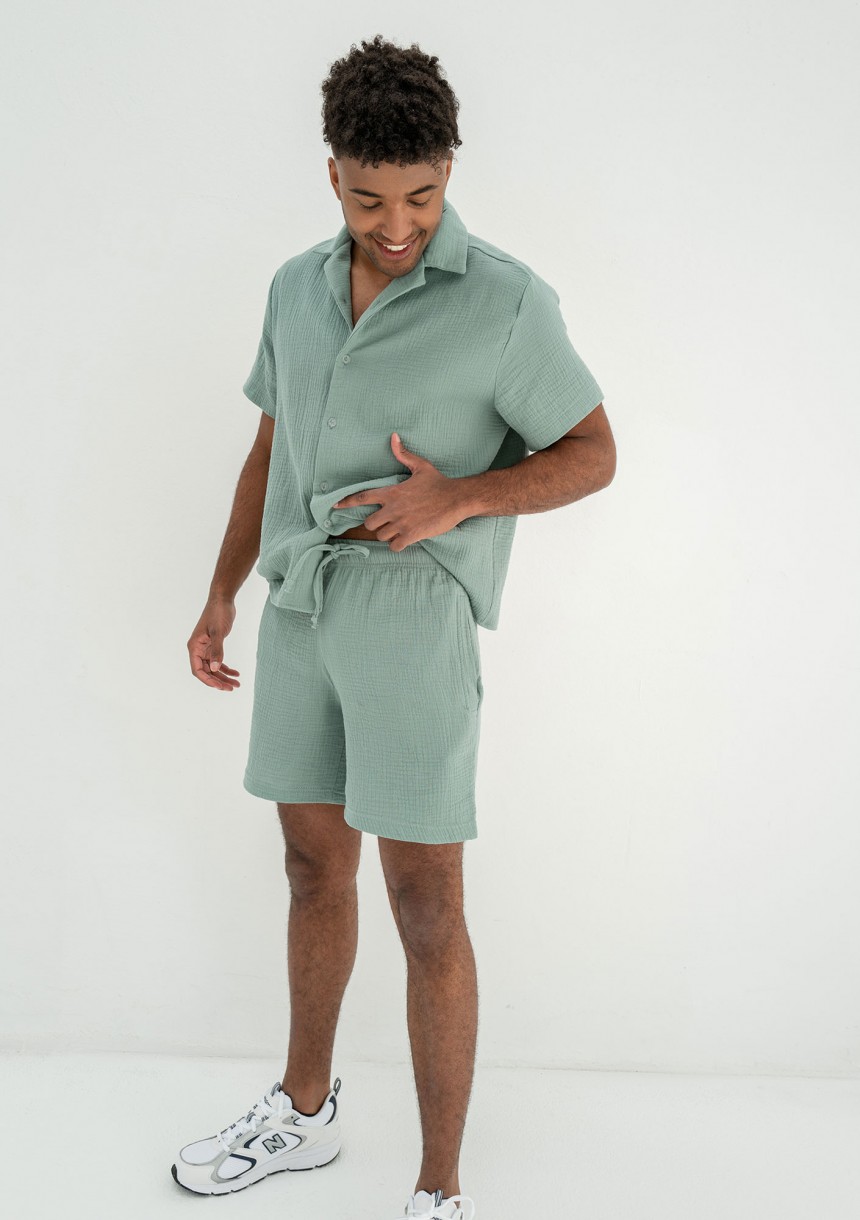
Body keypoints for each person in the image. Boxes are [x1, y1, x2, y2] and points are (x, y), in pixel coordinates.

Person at [177, 32, 615, 1220]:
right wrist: (222, 591)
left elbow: (592, 451)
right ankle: (304, 1109)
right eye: (369, 197)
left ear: (447, 169)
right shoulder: (293, 289)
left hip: (414, 616)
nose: (396, 224)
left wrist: (460, 496)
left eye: (419, 195)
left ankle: (438, 1187)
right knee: (309, 865)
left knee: (426, 905)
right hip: (300, 603)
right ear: (332, 174)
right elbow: (270, 446)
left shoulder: (506, 300)